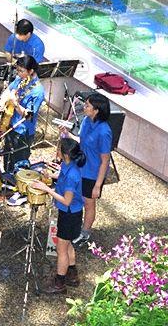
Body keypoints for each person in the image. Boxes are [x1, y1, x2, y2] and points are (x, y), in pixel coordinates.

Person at [30, 137, 85, 294]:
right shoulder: (68, 164)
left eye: (59, 148)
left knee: (61, 250)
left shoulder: (72, 175)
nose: (57, 150)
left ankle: (59, 283)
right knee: (67, 245)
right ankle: (72, 275)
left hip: (69, 215)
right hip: (71, 213)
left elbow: (66, 201)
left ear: (65, 154)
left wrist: (46, 189)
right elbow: (62, 176)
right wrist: (51, 175)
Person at [1, 55, 46, 206]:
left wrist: (15, 103)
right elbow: (10, 89)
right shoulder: (21, 80)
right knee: (8, 154)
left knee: (20, 161)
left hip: (23, 130)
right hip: (11, 124)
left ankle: (22, 192)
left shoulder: (38, 91)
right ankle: (8, 181)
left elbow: (28, 115)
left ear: (31, 71)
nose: (18, 74)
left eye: (21, 71)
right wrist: (3, 101)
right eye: (18, 70)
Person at [72, 92, 112, 246]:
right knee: (76, 198)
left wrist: (97, 185)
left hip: (92, 174)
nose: (84, 106)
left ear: (96, 110)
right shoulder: (86, 121)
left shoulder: (104, 132)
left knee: (89, 204)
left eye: (87, 105)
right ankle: (75, 226)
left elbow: (105, 160)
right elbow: (82, 141)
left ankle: (85, 233)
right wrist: (67, 134)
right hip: (80, 167)